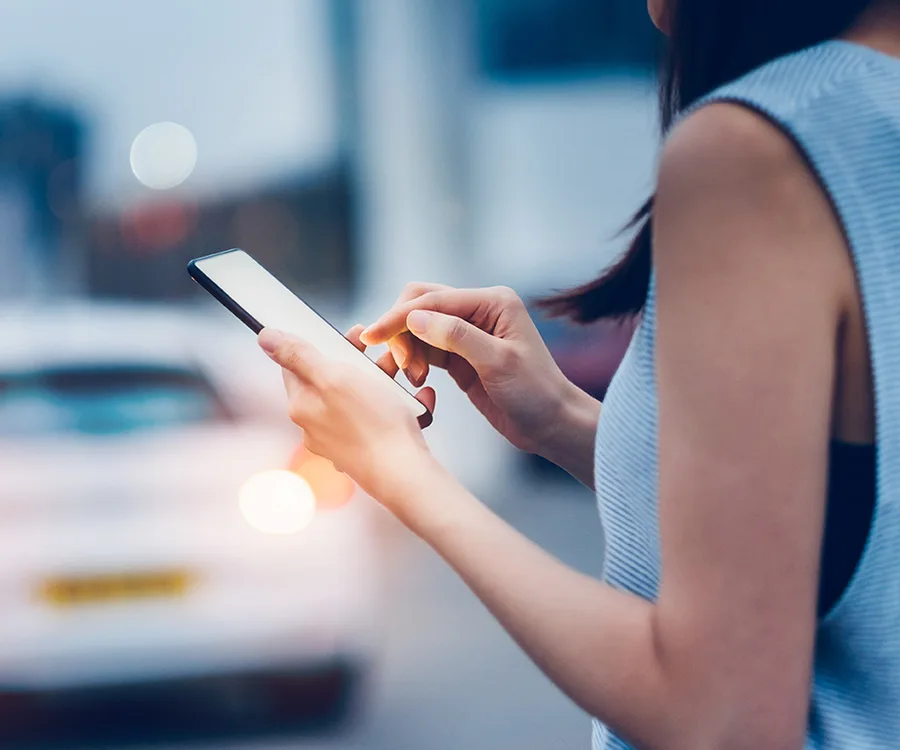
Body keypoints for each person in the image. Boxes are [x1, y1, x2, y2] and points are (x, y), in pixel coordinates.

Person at [256, 0, 900, 746]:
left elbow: (721, 720)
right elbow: (838, 526)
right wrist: (561, 419)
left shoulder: (760, 153)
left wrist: (405, 475)